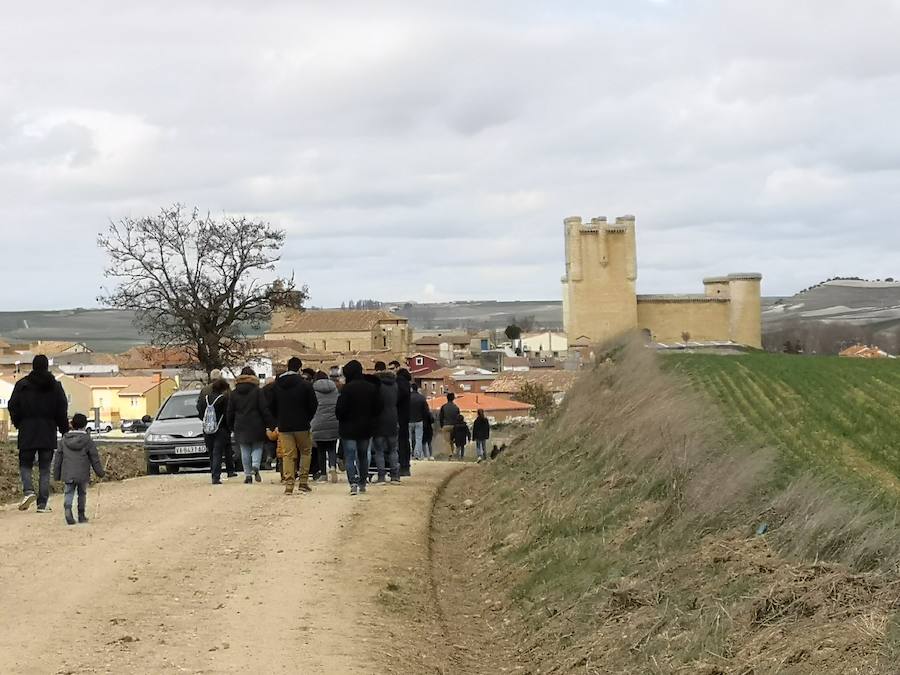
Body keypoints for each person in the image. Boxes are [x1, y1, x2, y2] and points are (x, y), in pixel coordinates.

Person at [8, 354, 69, 512]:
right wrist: (63, 429)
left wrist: (18, 422)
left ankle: (28, 491)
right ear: (47, 366)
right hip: (47, 430)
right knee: (44, 468)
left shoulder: (22, 385)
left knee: (25, 463)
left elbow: (12, 405)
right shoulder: (55, 386)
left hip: (27, 428)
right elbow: (61, 409)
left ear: (33, 366)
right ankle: (42, 504)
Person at [268, 357, 318, 494]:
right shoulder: (305, 385)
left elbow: (271, 405)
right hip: (302, 425)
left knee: (288, 455)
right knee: (305, 452)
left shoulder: (276, 386)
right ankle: (303, 482)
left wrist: (277, 420)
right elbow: (313, 405)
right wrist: (307, 418)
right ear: (299, 368)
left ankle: (289, 484)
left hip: (284, 425)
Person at [335, 360, 381, 496]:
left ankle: (353, 484)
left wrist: (343, 418)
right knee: (363, 456)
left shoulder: (347, 389)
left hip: (348, 429)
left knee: (349, 457)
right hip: (365, 428)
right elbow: (378, 407)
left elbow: (340, 410)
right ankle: (362, 483)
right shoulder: (371, 388)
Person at [52, 413, 105, 525]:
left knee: (68, 492)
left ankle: (67, 509)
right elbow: (94, 458)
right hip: (82, 473)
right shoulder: (87, 440)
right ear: (85, 425)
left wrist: (56, 474)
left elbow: (58, 458)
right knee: (82, 493)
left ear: (72, 424)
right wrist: (100, 473)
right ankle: (81, 515)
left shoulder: (64, 439)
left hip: (68, 472)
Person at [227, 366, 275, 485]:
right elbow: (264, 409)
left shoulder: (233, 393)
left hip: (240, 424)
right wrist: (271, 424)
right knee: (257, 447)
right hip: (257, 424)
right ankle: (255, 466)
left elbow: (230, 411)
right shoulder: (258, 391)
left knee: (244, 450)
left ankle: (248, 475)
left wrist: (230, 426)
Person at [197, 370, 237, 478]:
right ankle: (229, 470)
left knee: (212, 451)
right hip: (222, 426)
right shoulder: (225, 391)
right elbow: (229, 409)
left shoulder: (204, 391)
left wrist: (205, 420)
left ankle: (214, 472)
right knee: (224, 448)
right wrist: (230, 425)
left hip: (208, 426)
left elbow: (199, 407)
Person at [372, 361, 401, 484]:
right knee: (393, 449)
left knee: (379, 450)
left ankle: (381, 476)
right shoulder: (395, 385)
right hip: (393, 419)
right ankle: (395, 476)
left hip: (379, 420)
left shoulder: (376, 386)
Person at [311, 371, 340, 483]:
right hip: (334, 422)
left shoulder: (313, 390)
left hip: (318, 422)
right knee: (332, 447)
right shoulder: (334, 389)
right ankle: (333, 467)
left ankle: (323, 474)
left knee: (321, 450)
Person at [396, 367, 412, 476]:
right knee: (405, 442)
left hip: (398, 417)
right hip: (406, 417)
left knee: (399, 443)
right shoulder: (407, 385)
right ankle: (406, 466)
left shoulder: (399, 385)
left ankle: (401, 465)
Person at [408, 382, 430, 461]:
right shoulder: (421, 398)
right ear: (417, 389)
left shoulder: (407, 398)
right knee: (418, 438)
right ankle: (417, 454)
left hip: (409, 420)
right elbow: (426, 411)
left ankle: (409, 454)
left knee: (409, 438)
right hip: (419, 420)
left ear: (411, 389)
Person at [438, 392, 461, 460]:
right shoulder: (456, 407)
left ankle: (450, 454)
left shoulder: (443, 407)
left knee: (447, 441)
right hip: (454, 426)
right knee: (451, 441)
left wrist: (441, 425)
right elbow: (458, 418)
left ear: (447, 398)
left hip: (446, 425)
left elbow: (441, 417)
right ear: (453, 398)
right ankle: (451, 455)